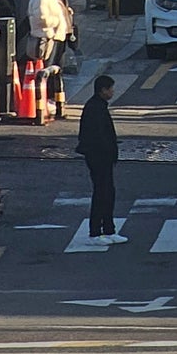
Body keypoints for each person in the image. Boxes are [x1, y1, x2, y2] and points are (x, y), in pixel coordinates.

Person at [77, 74, 124, 245]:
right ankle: (95, 233)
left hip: (104, 157)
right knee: (101, 193)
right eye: (111, 89)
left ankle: (109, 229)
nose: (113, 92)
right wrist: (107, 151)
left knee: (108, 193)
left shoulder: (99, 106)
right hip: (98, 157)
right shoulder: (94, 108)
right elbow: (96, 136)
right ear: (103, 90)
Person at [28, 0, 74, 77]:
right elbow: (42, 18)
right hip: (47, 38)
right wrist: (58, 20)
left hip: (56, 36)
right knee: (47, 69)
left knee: (55, 69)